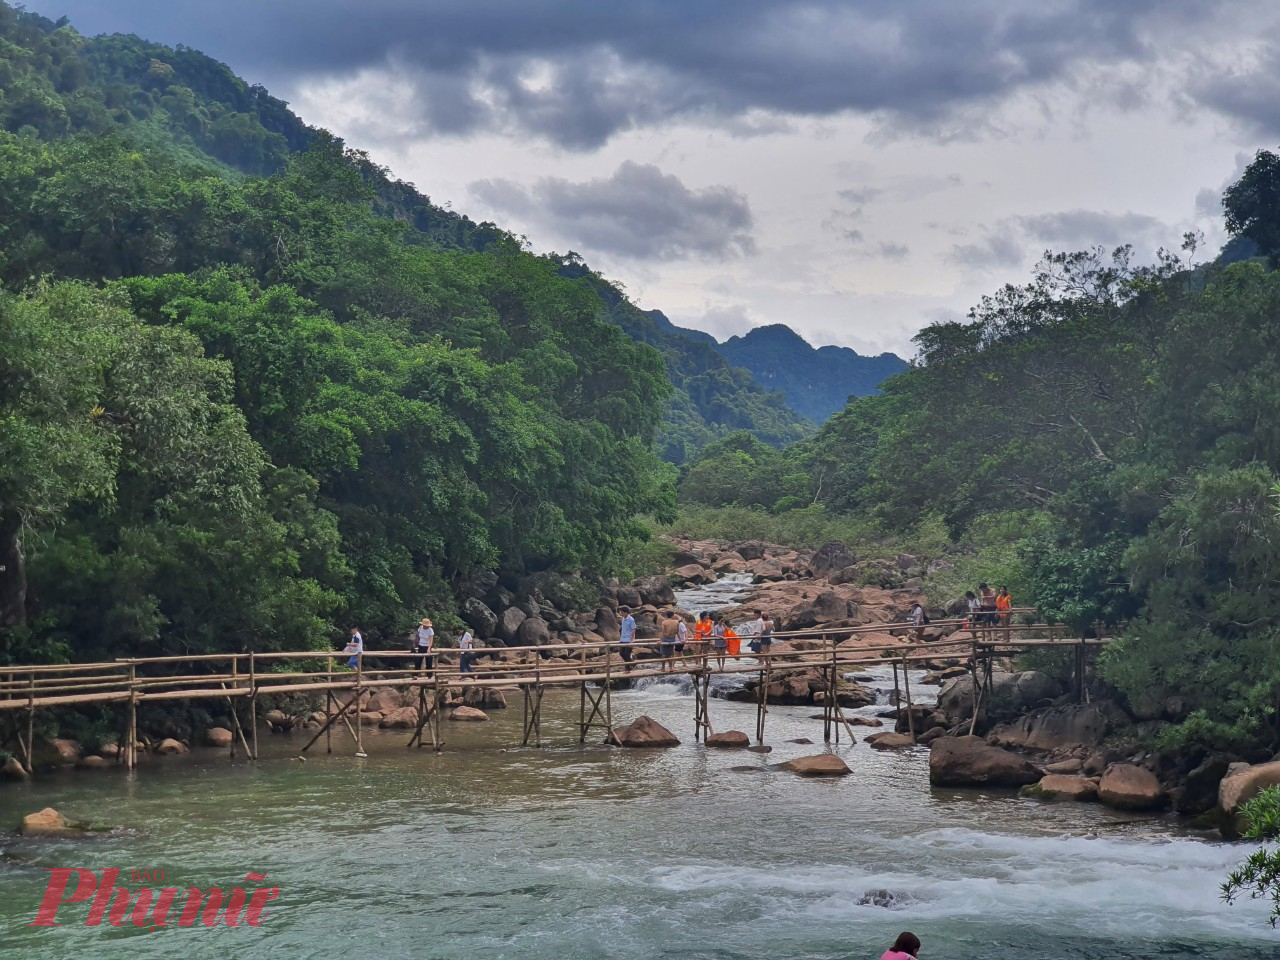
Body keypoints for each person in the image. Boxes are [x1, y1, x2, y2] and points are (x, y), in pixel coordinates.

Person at [618, 606, 636, 672]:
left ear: (626, 612)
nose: (621, 613)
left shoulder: (631, 619)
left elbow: (633, 629)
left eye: (622, 612)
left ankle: (628, 669)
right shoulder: (623, 619)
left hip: (628, 639)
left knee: (627, 654)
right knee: (621, 653)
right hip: (623, 639)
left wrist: (631, 640)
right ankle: (631, 663)